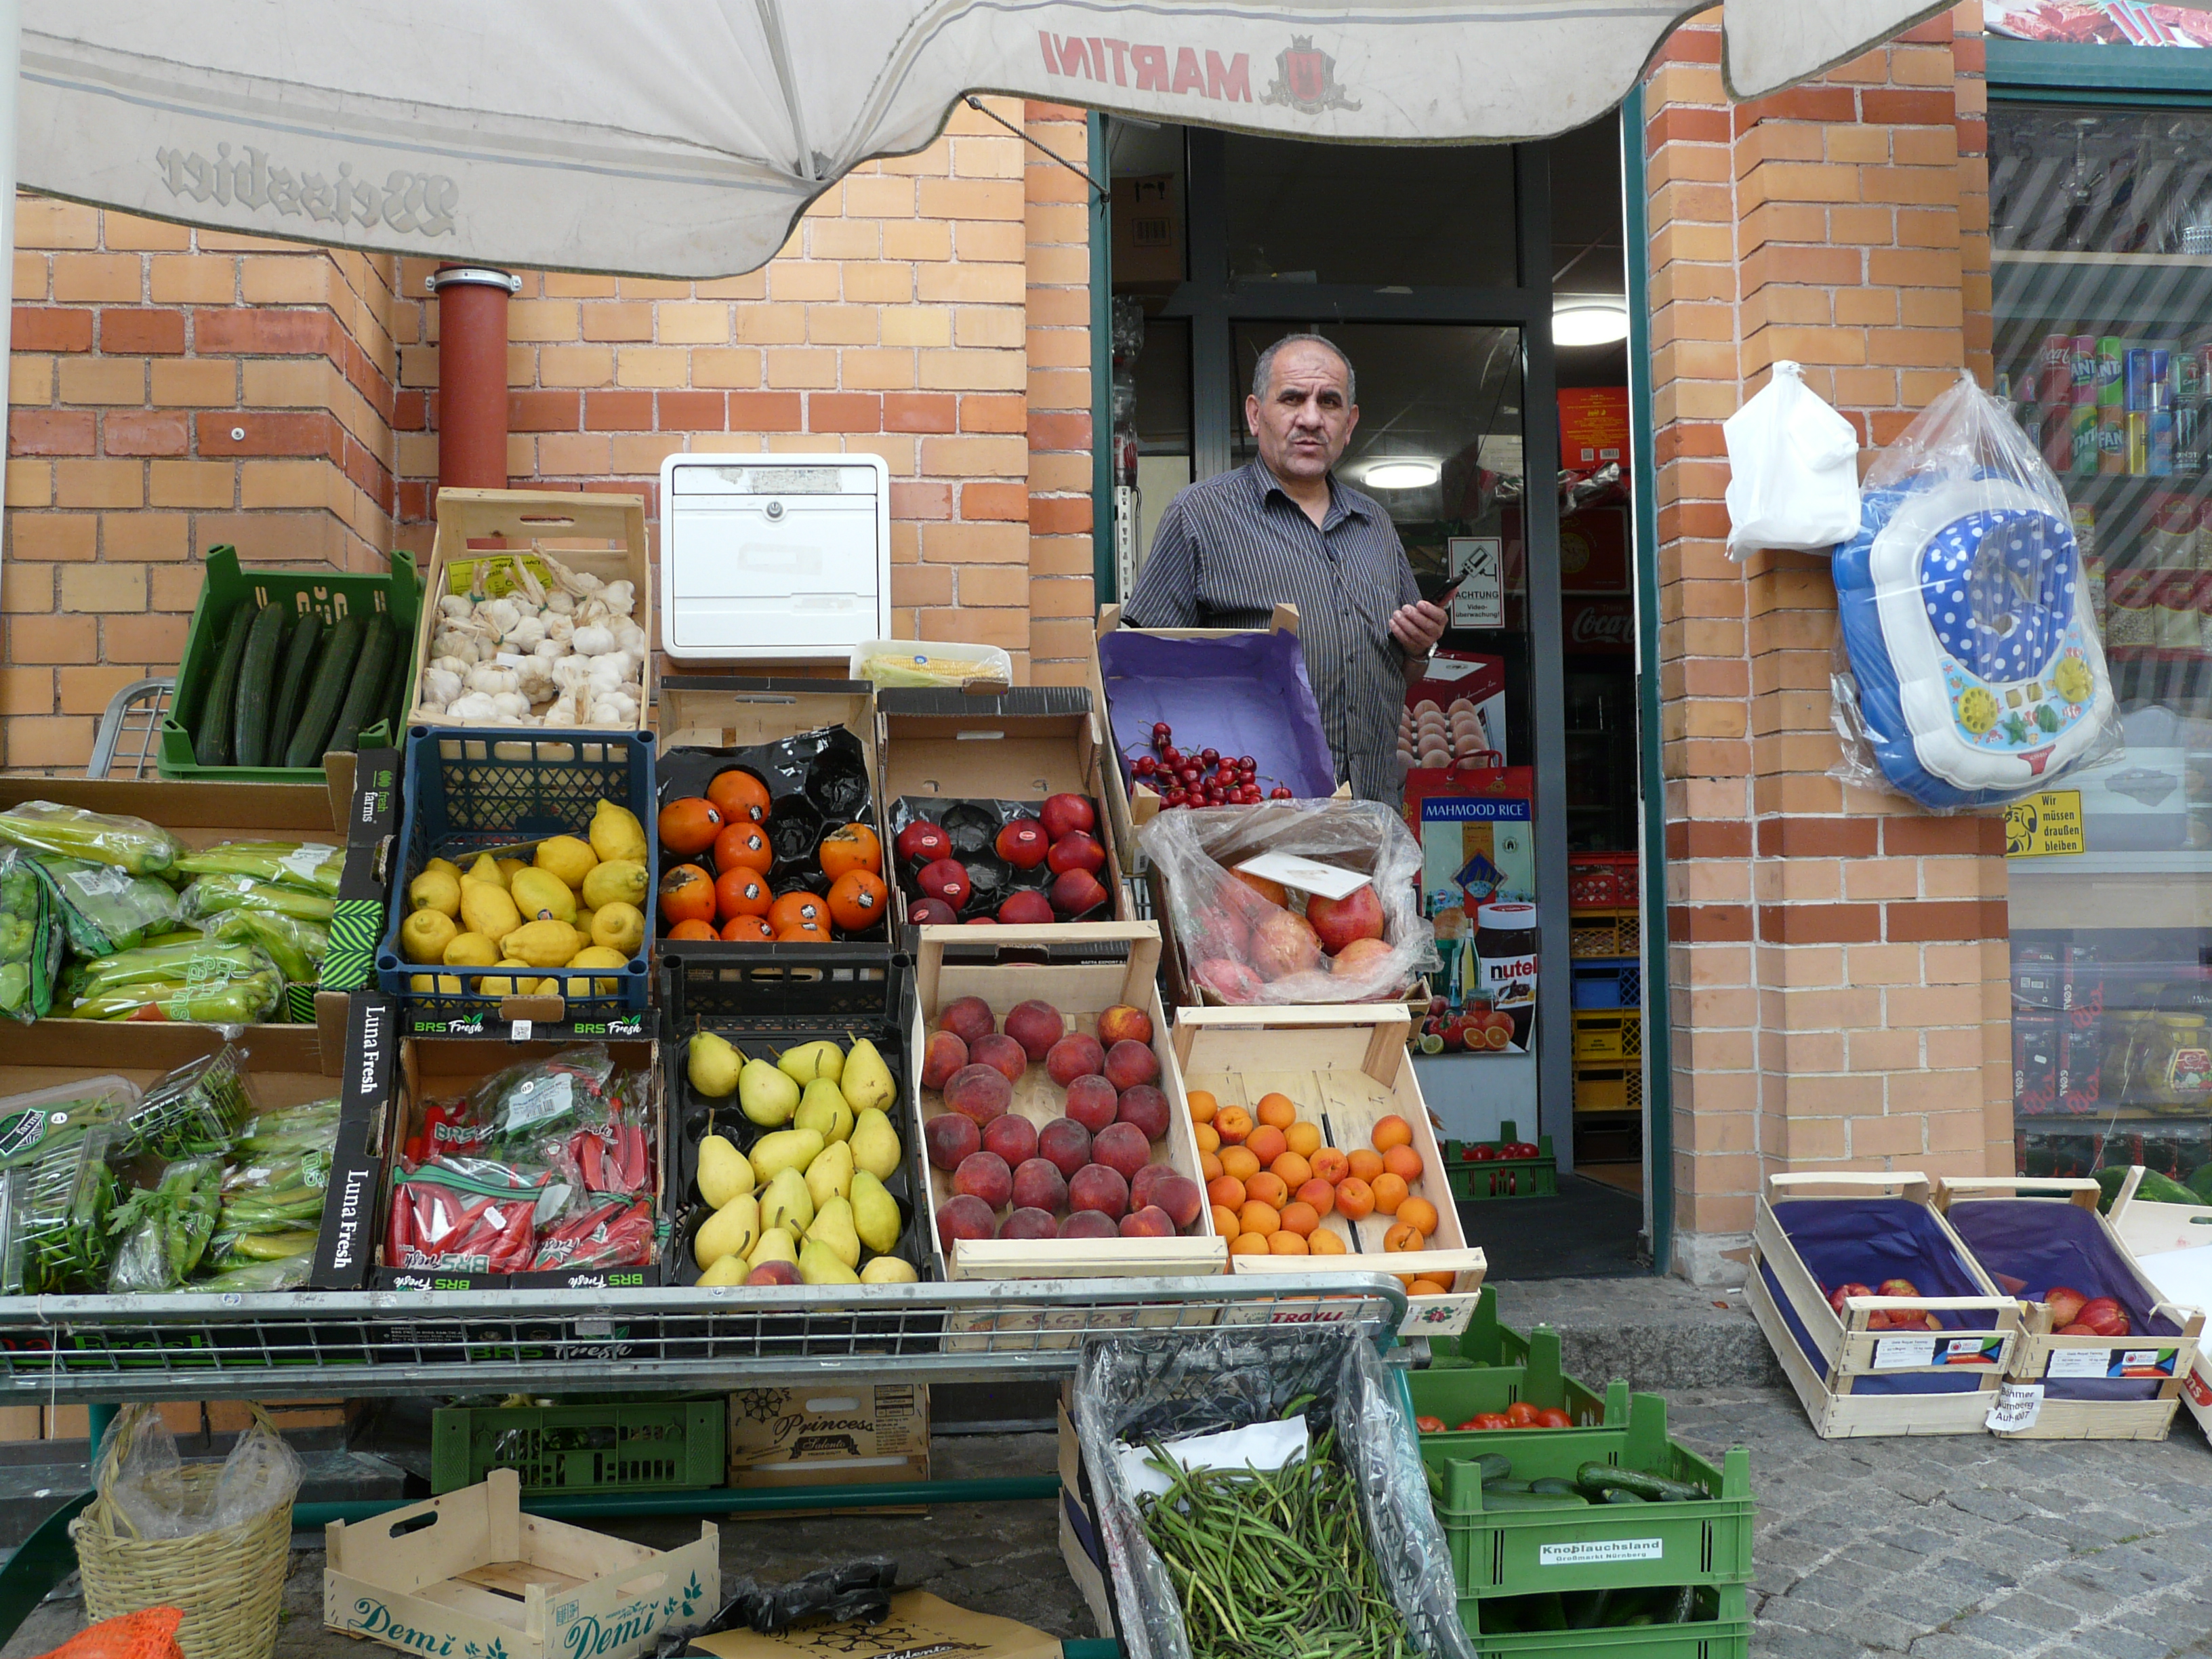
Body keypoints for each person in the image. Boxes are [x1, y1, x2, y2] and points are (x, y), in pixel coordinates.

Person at [1122, 333, 1448, 803]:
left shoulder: (1374, 524)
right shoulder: (1201, 515)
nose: (1311, 418)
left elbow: (1400, 672)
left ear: (1350, 422)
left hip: (1372, 822)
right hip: (1254, 831)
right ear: (1256, 414)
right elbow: (1142, 677)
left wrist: (1419, 650)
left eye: (1329, 402)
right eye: (1292, 399)